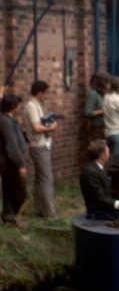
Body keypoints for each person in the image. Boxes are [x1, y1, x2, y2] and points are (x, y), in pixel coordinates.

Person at [23, 80, 59, 218]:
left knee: (40, 179)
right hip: (39, 145)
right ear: (39, 92)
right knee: (46, 179)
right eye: (46, 93)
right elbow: (36, 127)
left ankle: (39, 208)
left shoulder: (36, 105)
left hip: (40, 144)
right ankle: (49, 211)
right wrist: (50, 128)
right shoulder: (32, 106)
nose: (47, 96)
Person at [79, 139, 119, 216]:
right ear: (102, 155)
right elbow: (99, 198)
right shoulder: (91, 173)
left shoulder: (99, 168)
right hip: (98, 213)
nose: (109, 154)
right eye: (108, 151)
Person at [0, 95, 27, 225]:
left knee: (8, 189)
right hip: (9, 162)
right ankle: (9, 215)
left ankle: (8, 216)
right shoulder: (5, 121)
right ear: (13, 106)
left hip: (9, 161)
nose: (19, 107)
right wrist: (20, 165)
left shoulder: (7, 120)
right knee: (19, 191)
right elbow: (12, 146)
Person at [84, 71, 110, 141]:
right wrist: (103, 111)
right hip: (97, 128)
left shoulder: (103, 94)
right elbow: (88, 112)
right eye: (107, 83)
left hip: (106, 126)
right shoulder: (93, 94)